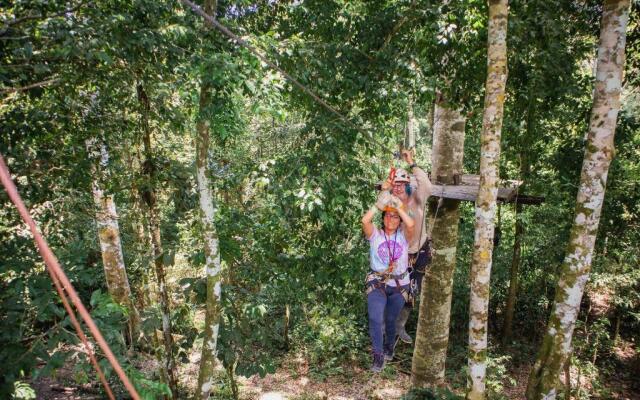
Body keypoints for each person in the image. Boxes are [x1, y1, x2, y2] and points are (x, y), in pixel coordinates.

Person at [380, 149, 432, 343]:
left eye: (403, 184)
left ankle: (400, 327)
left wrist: (412, 163)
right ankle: (387, 330)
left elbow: (427, 186)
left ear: (408, 186)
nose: (399, 188)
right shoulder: (391, 205)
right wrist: (386, 187)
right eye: (396, 185)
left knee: (411, 293)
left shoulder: (418, 200)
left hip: (418, 252)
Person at [361, 193, 415, 372]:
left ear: (399, 220)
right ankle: (377, 355)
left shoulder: (403, 237)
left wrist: (398, 207)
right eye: (388, 215)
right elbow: (365, 221)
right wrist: (379, 205)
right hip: (378, 282)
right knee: (375, 318)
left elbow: (411, 224)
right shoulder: (375, 234)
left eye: (395, 217)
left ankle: (389, 346)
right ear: (383, 218)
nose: (391, 219)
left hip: (399, 285)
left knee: (391, 320)